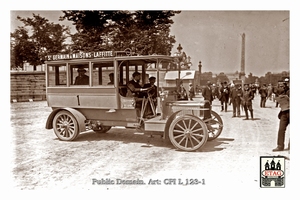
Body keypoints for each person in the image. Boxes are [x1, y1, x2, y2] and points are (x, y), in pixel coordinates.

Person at [272, 79, 290, 151]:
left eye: (284, 84)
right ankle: (280, 146)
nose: (281, 87)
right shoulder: (283, 91)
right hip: (284, 112)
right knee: (281, 129)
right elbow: (275, 91)